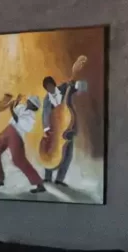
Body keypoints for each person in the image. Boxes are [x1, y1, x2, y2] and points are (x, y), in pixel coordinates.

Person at [37, 56, 90, 186]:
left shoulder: (65, 88)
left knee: (68, 154)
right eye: (47, 88)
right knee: (49, 151)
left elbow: (84, 87)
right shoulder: (47, 99)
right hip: (54, 130)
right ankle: (48, 177)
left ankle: (60, 180)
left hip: (68, 127)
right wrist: (46, 128)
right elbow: (45, 114)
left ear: (54, 84)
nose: (49, 89)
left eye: (50, 86)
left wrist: (75, 84)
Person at [0, 89, 44, 192]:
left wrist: (12, 109)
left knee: (18, 160)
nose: (28, 101)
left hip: (17, 135)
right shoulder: (22, 107)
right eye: (28, 100)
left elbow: (17, 119)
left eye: (30, 101)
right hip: (9, 129)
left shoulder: (31, 116)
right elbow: (16, 109)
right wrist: (15, 102)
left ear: (34, 106)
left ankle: (39, 183)